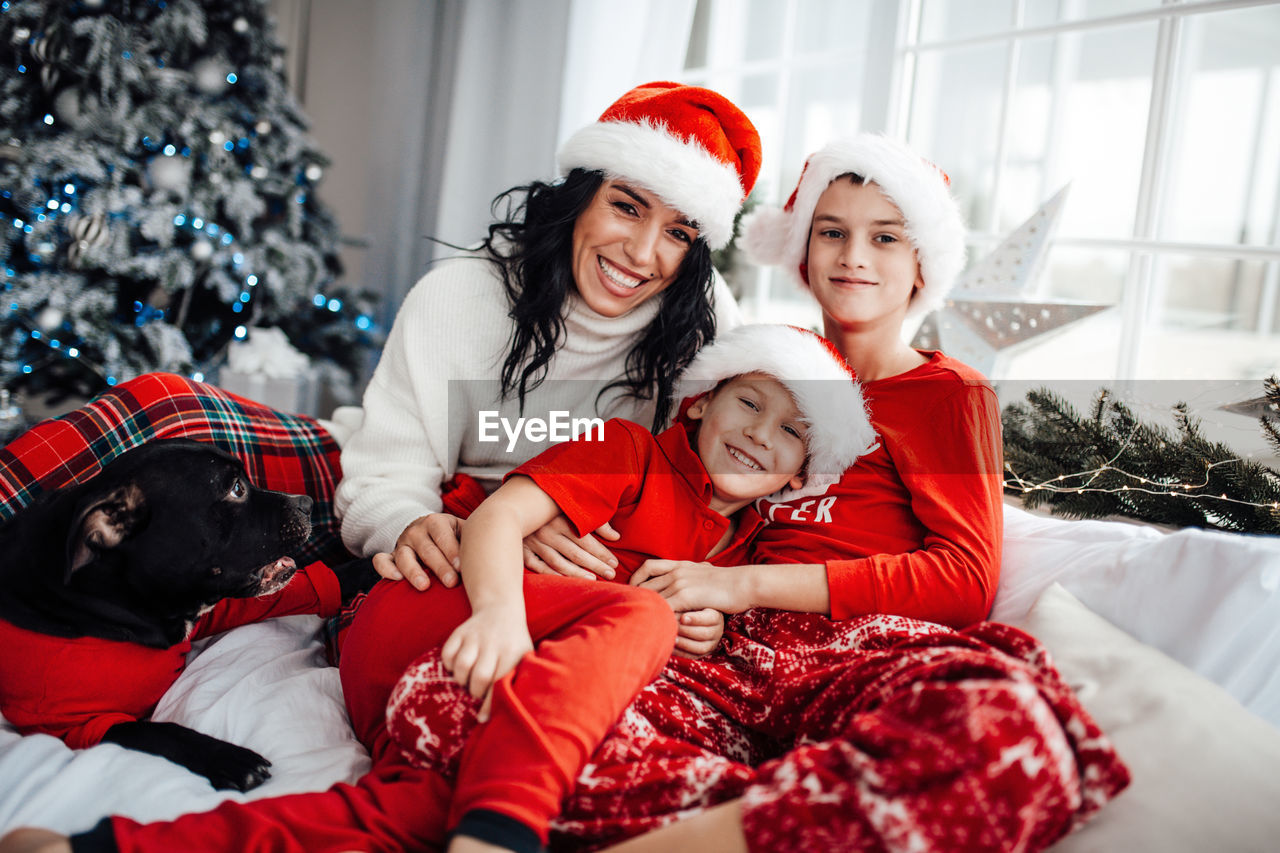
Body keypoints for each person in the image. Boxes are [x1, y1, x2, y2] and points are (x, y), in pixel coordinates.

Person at [0, 81, 765, 853]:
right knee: (167, 409)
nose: (641, 253)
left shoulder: (709, 338)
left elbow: (713, 501)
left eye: (679, 231)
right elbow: (386, 478)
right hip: (442, 560)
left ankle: (94, 847)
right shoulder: (464, 298)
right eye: (627, 207)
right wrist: (442, 528)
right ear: (580, 197)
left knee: (431, 797)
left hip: (567, 605)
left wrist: (703, 596)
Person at [531, 134, 1126, 851]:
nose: (853, 256)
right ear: (803, 254)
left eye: (884, 238)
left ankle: (768, 815)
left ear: (919, 267)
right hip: (719, 657)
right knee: (485, 707)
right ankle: (807, 805)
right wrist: (552, 518)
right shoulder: (762, 372)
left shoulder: (946, 394)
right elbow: (667, 481)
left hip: (855, 649)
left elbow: (964, 580)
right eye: (832, 232)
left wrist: (741, 584)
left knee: (1006, 729)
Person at [384, 322, 875, 853]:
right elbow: (494, 520)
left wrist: (710, 629)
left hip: (528, 693)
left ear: (799, 476)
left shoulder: (752, 552)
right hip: (458, 619)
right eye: (750, 404)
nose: (760, 434)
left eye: (792, 431)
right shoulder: (628, 447)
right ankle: (500, 828)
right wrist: (497, 617)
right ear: (699, 403)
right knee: (644, 614)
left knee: (406, 817)